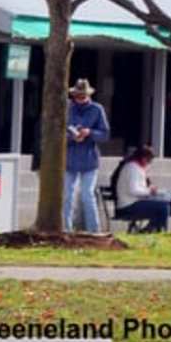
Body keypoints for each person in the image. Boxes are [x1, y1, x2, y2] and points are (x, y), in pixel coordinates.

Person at [65, 78, 110, 233]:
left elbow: (104, 134)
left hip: (89, 159)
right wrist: (72, 136)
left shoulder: (97, 109)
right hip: (69, 159)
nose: (80, 99)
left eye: (83, 96)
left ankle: (94, 230)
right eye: (77, 96)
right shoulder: (67, 108)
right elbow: (58, 133)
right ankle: (66, 229)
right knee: (67, 196)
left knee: (87, 195)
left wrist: (89, 132)